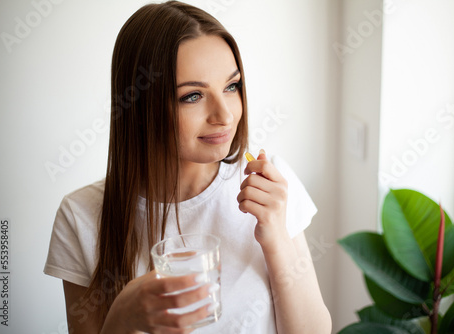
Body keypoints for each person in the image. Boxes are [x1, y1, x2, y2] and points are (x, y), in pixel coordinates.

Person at [44, 1, 332, 333]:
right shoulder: (81, 216)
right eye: (193, 96)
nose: (224, 116)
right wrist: (122, 314)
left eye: (231, 86)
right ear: (140, 106)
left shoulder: (270, 185)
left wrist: (276, 235)